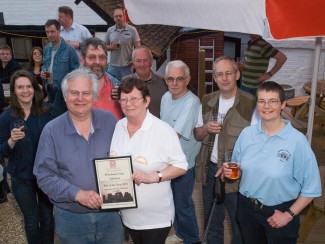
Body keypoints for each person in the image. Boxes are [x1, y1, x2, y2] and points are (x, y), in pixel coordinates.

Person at [222, 81, 321, 244]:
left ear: (283, 104)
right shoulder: (247, 134)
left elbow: (312, 188)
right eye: (261, 101)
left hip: (279, 213)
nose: (266, 106)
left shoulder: (297, 141)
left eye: (272, 101)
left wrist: (288, 215)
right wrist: (231, 174)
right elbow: (237, 169)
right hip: (247, 209)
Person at [33, 68, 124, 243]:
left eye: (86, 93)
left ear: (95, 96)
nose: (80, 98)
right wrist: (77, 194)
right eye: (74, 93)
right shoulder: (51, 131)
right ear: (65, 97)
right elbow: (44, 175)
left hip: (111, 216)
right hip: (70, 217)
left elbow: (124, 159)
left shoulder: (111, 122)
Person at [110, 77, 188, 244]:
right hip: (128, 214)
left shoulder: (163, 131)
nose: (128, 103)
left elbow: (181, 166)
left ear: (146, 101)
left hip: (155, 217)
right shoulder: (119, 126)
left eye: (134, 98)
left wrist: (154, 176)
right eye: (124, 99)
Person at [194, 56, 256, 244]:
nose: (225, 78)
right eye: (220, 74)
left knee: (239, 226)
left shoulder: (251, 103)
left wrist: (239, 168)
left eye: (229, 73)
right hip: (211, 171)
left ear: (237, 74)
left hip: (238, 174)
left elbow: (257, 146)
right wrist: (205, 129)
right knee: (212, 223)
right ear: (214, 78)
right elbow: (197, 134)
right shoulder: (207, 100)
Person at [0, 70, 54, 243]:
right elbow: (1, 151)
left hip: (45, 176)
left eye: (28, 86)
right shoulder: (6, 117)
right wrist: (11, 141)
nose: (25, 91)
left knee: (47, 219)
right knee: (31, 221)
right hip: (21, 178)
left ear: (35, 88)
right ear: (14, 91)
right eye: (20, 87)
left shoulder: (46, 112)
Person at [161, 60, 201, 244]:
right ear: (165, 80)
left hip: (183, 164)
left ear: (188, 80)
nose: (174, 83)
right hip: (168, 161)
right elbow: (163, 129)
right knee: (173, 201)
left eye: (179, 79)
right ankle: (180, 233)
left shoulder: (192, 102)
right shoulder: (165, 97)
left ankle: (192, 238)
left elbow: (173, 135)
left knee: (183, 204)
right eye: (171, 79)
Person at [80, 37, 122, 119]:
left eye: (102, 57)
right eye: (92, 57)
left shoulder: (117, 87)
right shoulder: (72, 88)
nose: (97, 62)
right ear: (82, 59)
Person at [122, 46, 167, 118]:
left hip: (157, 128)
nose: (142, 64)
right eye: (138, 61)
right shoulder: (125, 82)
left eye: (146, 60)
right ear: (133, 62)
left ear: (151, 62)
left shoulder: (163, 83)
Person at [42, 19, 80, 103]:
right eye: (47, 32)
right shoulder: (46, 48)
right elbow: (46, 66)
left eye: (52, 31)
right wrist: (44, 72)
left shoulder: (69, 49)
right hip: (49, 88)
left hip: (63, 91)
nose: (49, 34)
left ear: (59, 31)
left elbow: (76, 72)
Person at [105, 7, 141, 81]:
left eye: (120, 16)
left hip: (126, 67)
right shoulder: (110, 30)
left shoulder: (132, 30)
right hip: (112, 66)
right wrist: (112, 47)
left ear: (124, 17)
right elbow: (104, 47)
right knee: (112, 88)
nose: (118, 18)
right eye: (116, 16)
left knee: (127, 89)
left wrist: (133, 61)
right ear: (114, 18)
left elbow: (138, 48)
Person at [0, 45, 22, 112]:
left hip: (11, 90)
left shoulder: (15, 65)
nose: (5, 56)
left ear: (11, 56)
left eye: (7, 54)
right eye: (2, 54)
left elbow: (12, 78)